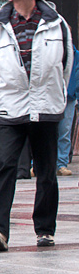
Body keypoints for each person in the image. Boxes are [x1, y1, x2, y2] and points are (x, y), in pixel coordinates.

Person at [0, 0, 73, 251]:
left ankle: (45, 229)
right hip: (11, 107)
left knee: (46, 170)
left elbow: (66, 64)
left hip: (46, 105)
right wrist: (7, 93)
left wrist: (55, 93)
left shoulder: (57, 24)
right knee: (5, 168)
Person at [57, 41, 78, 177]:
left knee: (65, 131)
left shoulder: (76, 55)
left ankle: (61, 164)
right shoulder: (52, 51)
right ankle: (37, 164)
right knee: (44, 131)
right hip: (50, 96)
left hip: (69, 97)